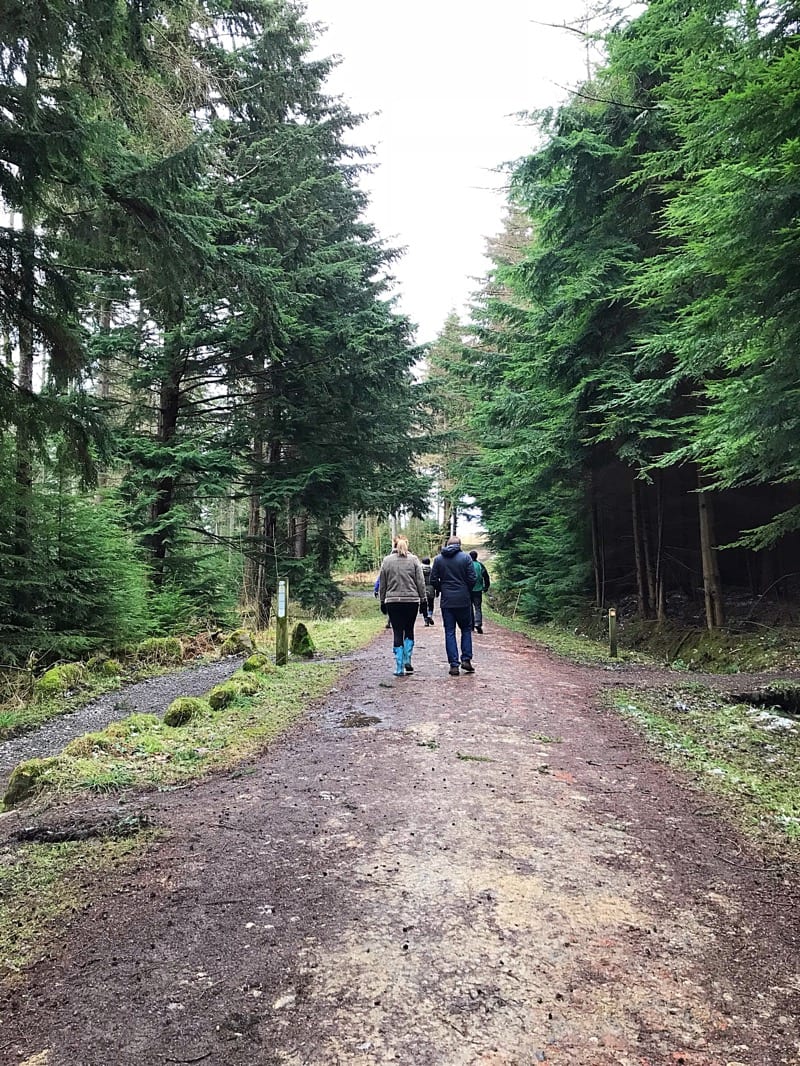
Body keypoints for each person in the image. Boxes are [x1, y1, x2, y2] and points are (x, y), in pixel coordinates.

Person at [378, 536, 427, 676]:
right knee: (409, 629)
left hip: (393, 602)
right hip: (411, 601)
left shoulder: (387, 561)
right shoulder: (414, 560)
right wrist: (423, 600)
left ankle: (399, 667)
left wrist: (382, 601)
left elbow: (383, 584)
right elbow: (420, 582)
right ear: (407, 545)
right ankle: (408, 659)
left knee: (397, 631)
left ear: (394, 545)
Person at [430, 536, 476, 676]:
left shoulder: (438, 559)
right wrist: (466, 589)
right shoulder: (466, 558)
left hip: (447, 601)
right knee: (466, 629)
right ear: (459, 545)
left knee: (449, 632)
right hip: (463, 600)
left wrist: (442, 588)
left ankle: (454, 665)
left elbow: (433, 579)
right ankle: (466, 659)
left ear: (447, 545)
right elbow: (472, 578)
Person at [468, 550, 491, 633]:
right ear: (476, 556)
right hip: (478, 590)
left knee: (469, 607)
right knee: (477, 607)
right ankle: (478, 623)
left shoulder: (467, 565)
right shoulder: (480, 565)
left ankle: (471, 626)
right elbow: (486, 577)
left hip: (468, 590)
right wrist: (486, 587)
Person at [420, 556, 436, 625]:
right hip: (431, 588)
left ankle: (426, 619)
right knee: (431, 604)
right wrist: (437, 590)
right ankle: (430, 614)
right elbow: (435, 580)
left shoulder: (420, 571)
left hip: (422, 589)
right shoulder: (433, 570)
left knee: (424, 604)